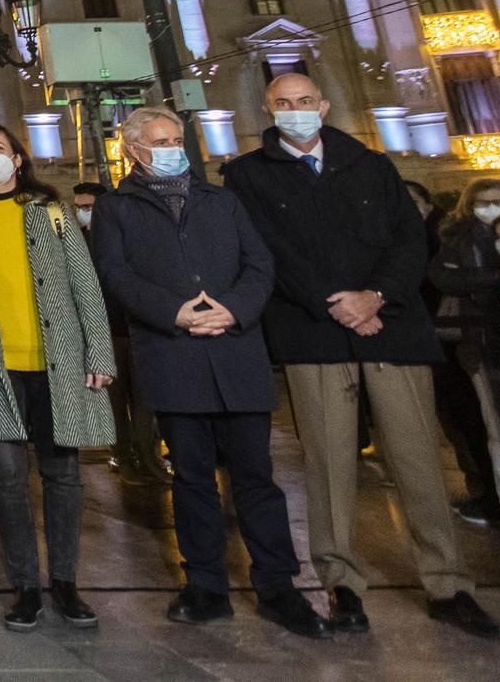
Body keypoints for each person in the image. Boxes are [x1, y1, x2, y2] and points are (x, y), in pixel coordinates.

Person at [222, 72, 500, 641]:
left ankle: (450, 586)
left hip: (391, 327)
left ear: (324, 105)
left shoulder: (372, 164)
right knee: (329, 464)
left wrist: (376, 296)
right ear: (267, 109)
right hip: (315, 330)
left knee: (417, 460)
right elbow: (266, 251)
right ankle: (342, 584)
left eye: (305, 101)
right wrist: (335, 304)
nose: (296, 110)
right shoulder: (246, 176)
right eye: (283, 103)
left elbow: (410, 240)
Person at [89, 108, 330, 638]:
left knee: (256, 478)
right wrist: (172, 311)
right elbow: (114, 272)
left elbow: (259, 263)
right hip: (173, 358)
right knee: (192, 479)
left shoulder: (222, 200)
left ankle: (278, 587)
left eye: (177, 138)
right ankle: (205, 586)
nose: (173, 146)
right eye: (160, 140)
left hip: (236, 353)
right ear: (133, 150)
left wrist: (235, 309)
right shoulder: (116, 208)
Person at [0, 123, 114, 632]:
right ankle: (25, 586)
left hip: (56, 364)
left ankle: (65, 582)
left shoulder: (50, 211)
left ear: (18, 159)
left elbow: (86, 287)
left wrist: (99, 353)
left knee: (63, 475)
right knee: (9, 481)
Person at [432, 179, 500, 530]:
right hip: (483, 339)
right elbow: (447, 280)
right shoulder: (456, 238)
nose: (493, 207)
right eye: (484, 201)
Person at [76, 181, 164, 485]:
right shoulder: (78, 243)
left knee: (145, 402)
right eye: (80, 207)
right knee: (113, 404)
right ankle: (125, 459)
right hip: (106, 336)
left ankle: (149, 459)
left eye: (88, 207)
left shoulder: (125, 237)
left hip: (137, 330)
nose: (83, 213)